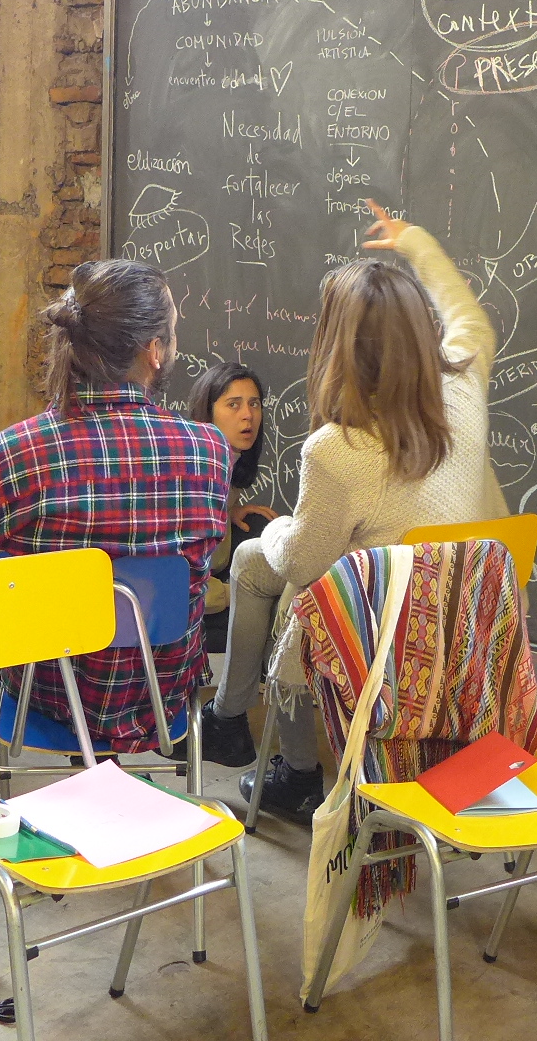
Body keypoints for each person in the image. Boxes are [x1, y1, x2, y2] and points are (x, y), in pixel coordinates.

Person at [202, 202, 506, 820]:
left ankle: (294, 771)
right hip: (462, 622)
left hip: (381, 630)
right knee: (258, 564)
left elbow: (303, 560)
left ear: (339, 346)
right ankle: (229, 718)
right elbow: (469, 318)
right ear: (420, 330)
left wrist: (276, 527)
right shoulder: (464, 388)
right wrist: (415, 242)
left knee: (276, 577)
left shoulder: (340, 448)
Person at [0, 258, 230, 754]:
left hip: (41, 697)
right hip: (159, 701)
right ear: (154, 351)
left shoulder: (2, 457)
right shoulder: (209, 451)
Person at [186, 361, 280, 655]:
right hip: (190, 600)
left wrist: (229, 511)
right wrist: (237, 593)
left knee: (261, 529)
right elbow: (184, 579)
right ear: (208, 413)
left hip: (212, 582)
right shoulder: (196, 473)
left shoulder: (231, 464)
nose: (248, 414)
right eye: (233, 404)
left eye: (254, 404)